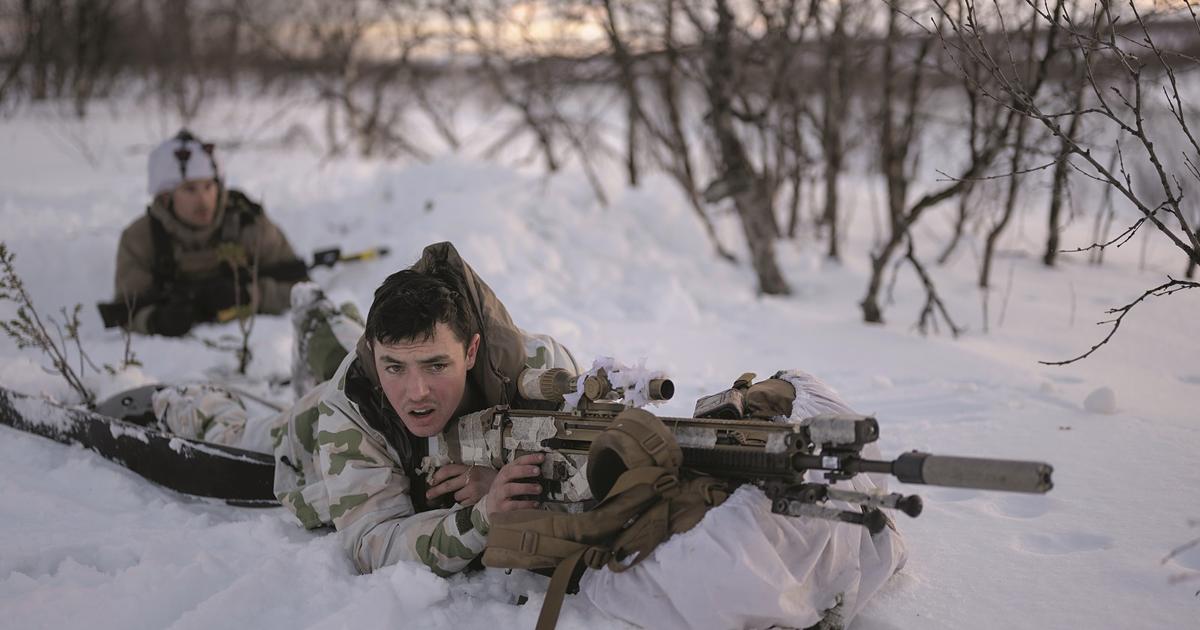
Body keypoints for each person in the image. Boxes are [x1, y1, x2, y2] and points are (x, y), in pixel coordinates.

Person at [271, 242, 581, 575]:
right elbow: (373, 545)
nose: (417, 392)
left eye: (436, 366)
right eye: (394, 367)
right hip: (310, 436)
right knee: (230, 433)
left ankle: (333, 324)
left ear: (471, 350)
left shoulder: (542, 368)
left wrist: (517, 490)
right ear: (373, 353)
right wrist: (481, 515)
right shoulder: (350, 404)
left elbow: (591, 494)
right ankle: (317, 320)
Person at [111, 129, 307, 336]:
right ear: (166, 197)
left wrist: (249, 295)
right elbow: (125, 310)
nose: (204, 201)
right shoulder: (140, 238)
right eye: (190, 189)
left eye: (208, 186)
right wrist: (156, 320)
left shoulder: (248, 224)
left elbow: (301, 290)